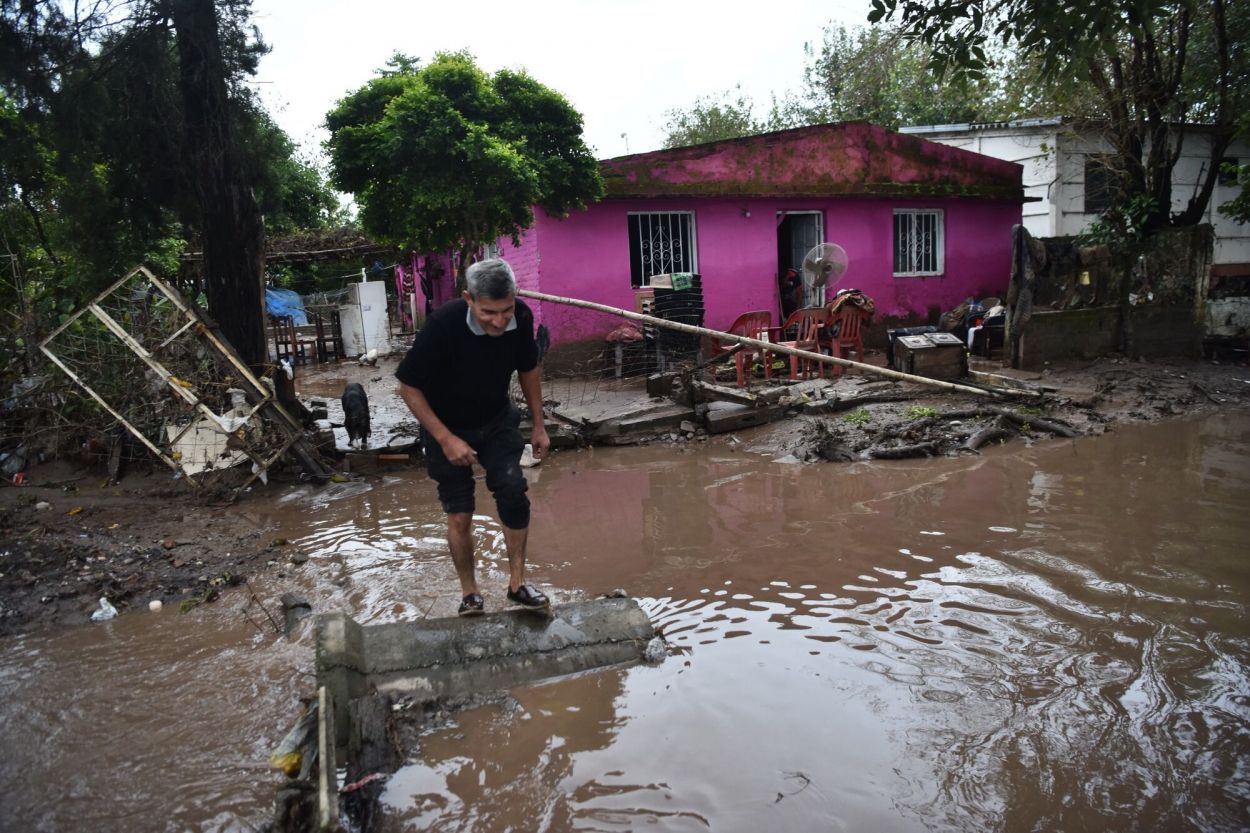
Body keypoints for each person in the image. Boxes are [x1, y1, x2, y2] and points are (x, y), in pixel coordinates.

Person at [395, 258, 551, 616]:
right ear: (468, 299)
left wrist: (539, 425)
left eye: (506, 310)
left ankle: (517, 584)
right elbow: (409, 386)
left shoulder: (521, 317)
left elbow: (528, 370)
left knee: (513, 490)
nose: (499, 321)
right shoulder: (442, 325)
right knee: (460, 512)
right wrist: (445, 438)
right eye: (489, 313)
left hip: (496, 420)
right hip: (445, 425)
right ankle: (470, 594)